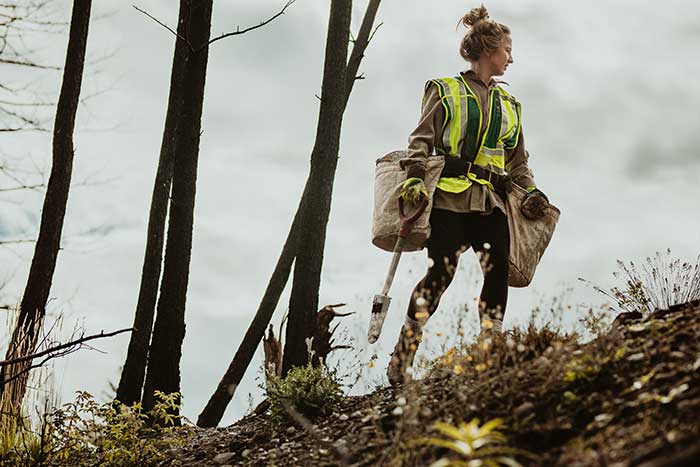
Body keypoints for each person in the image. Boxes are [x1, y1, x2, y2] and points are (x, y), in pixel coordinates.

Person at [387, 5, 549, 385]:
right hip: (449, 199)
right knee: (440, 275)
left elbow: (519, 161)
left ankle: (489, 349)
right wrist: (413, 177)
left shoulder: (511, 105)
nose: (512, 57)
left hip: (492, 203)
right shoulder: (443, 90)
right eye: (508, 49)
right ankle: (402, 357)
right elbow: (420, 141)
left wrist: (531, 190)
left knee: (496, 274)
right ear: (489, 50)